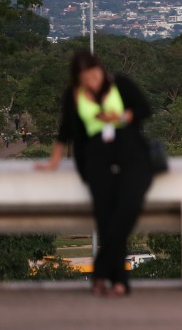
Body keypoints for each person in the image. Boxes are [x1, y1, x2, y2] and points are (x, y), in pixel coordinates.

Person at [36, 49, 154, 298]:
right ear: (77, 79)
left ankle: (100, 272)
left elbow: (144, 109)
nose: (93, 82)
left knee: (127, 208)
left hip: (130, 152)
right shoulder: (74, 95)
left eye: (95, 75)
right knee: (106, 217)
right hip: (96, 157)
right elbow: (65, 131)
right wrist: (53, 161)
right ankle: (119, 282)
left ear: (101, 69)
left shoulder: (120, 83)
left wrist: (121, 116)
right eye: (86, 79)